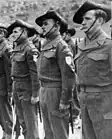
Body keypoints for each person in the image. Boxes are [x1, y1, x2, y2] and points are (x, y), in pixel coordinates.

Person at [73, 1, 112, 139]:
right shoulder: (81, 45)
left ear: (100, 20)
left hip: (104, 103)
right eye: (83, 19)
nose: (83, 22)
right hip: (84, 100)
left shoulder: (108, 45)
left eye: (87, 19)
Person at [35, 10, 76, 139]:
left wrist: (65, 100)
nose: (42, 27)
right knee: (48, 131)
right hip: (44, 90)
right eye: (42, 24)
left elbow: (68, 76)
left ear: (57, 26)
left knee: (59, 131)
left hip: (56, 92)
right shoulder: (45, 45)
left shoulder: (61, 46)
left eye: (46, 24)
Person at [7, 19, 40, 139]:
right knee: (22, 120)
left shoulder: (30, 49)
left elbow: (35, 73)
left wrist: (36, 94)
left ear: (24, 32)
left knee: (30, 122)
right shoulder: (17, 48)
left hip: (27, 88)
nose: (13, 34)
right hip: (17, 86)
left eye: (16, 32)